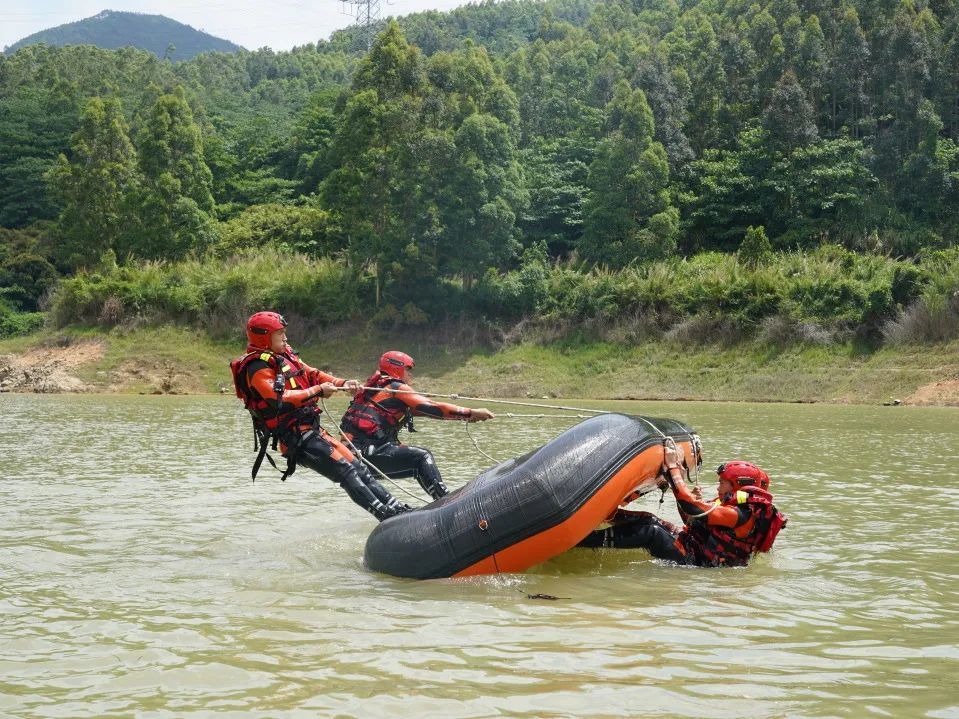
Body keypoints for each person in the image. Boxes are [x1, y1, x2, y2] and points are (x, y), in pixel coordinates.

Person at [230, 311, 409, 521]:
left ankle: (399, 510)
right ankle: (387, 517)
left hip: (312, 430)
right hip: (296, 439)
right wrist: (317, 391)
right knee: (346, 473)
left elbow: (313, 374)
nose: (286, 338)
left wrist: (342, 383)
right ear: (264, 336)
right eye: (280, 334)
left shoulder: (285, 354)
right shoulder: (257, 366)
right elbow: (278, 398)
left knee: (359, 468)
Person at [579, 440, 787, 567]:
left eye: (722, 483)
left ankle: (578, 541)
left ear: (737, 485)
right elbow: (690, 519)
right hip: (696, 549)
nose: (718, 487)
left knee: (651, 533)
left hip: (698, 562)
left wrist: (673, 470)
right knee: (649, 519)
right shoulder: (731, 506)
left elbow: (692, 509)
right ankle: (603, 515)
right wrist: (683, 493)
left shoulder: (739, 514)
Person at [339, 351, 495, 500]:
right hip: (364, 454)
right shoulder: (395, 387)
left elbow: (431, 412)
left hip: (351, 458)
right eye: (408, 369)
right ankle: (446, 500)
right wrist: (470, 411)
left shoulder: (377, 390)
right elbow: (431, 407)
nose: (411, 374)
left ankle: (440, 501)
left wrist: (466, 417)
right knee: (422, 457)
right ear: (397, 367)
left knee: (417, 464)